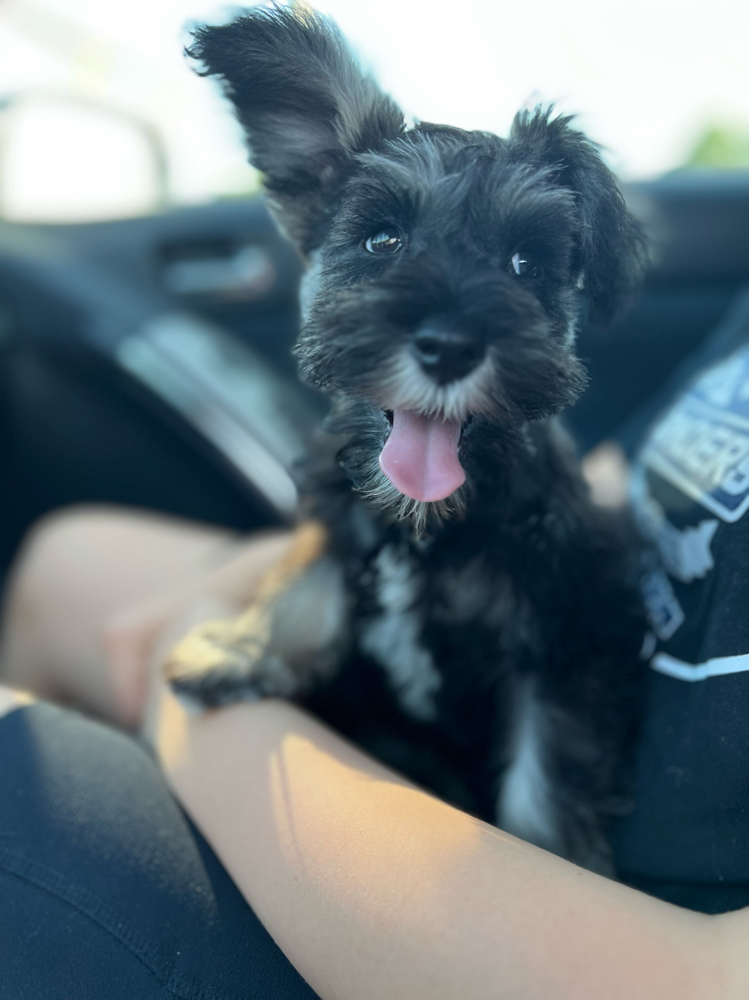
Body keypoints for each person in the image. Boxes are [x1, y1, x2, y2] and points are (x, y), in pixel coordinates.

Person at [0, 294, 747, 999]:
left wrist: (194, 672)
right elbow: (615, 476)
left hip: (546, 903)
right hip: (449, 686)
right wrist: (284, 569)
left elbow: (693, 979)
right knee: (65, 559)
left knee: (15, 761)